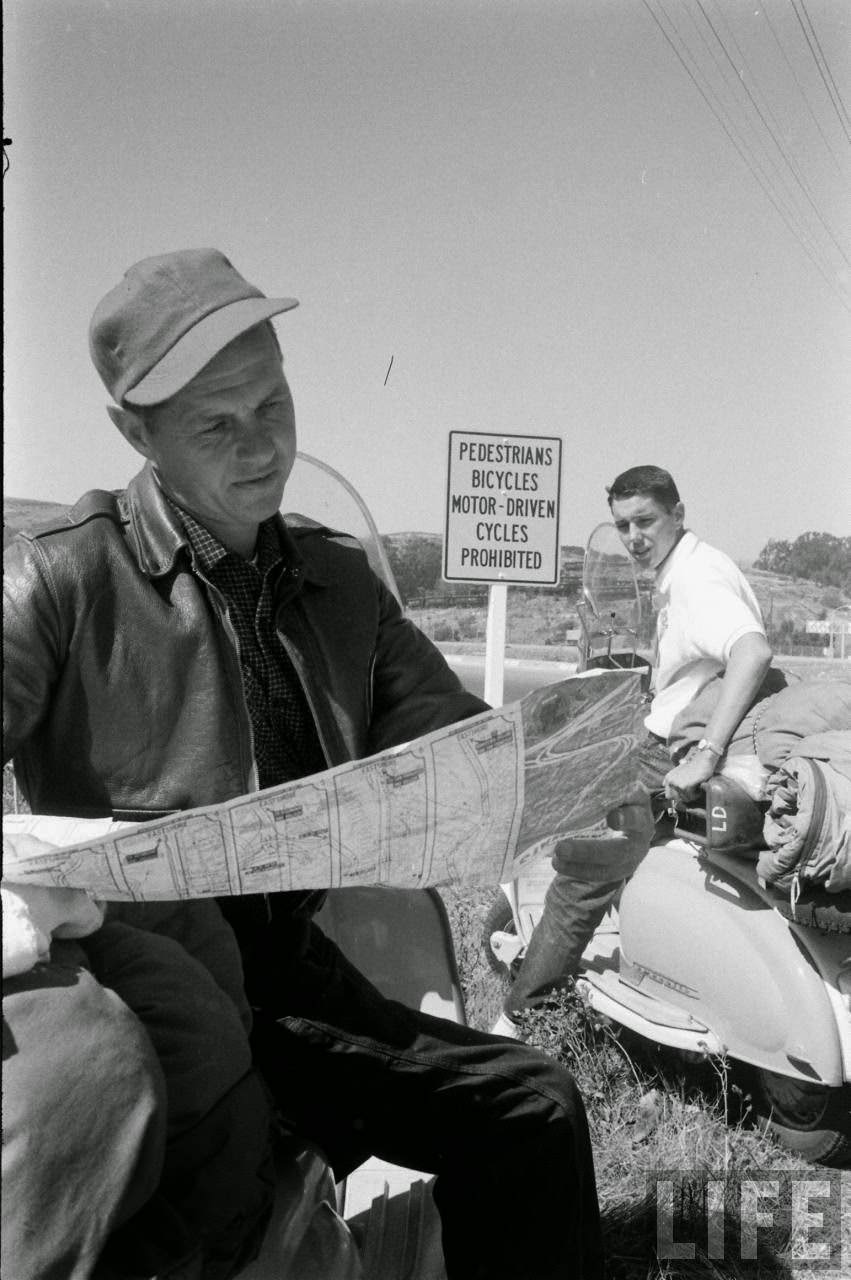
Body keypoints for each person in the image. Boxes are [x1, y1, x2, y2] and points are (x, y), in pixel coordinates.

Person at [2, 248, 603, 1280]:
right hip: (146, 970)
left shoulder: (340, 579)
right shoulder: (53, 576)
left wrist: (578, 782)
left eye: (272, 402)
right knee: (525, 1110)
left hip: (290, 962)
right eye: (215, 424)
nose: (261, 444)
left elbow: (453, 740)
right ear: (134, 433)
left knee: (533, 1106)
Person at [493, 464, 773, 1036]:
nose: (633, 537)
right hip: (669, 739)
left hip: (666, 753)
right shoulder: (694, 567)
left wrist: (706, 754)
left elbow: (752, 652)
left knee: (582, 867)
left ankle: (524, 1016)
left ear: (677, 514)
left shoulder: (696, 580)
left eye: (645, 521)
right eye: (623, 525)